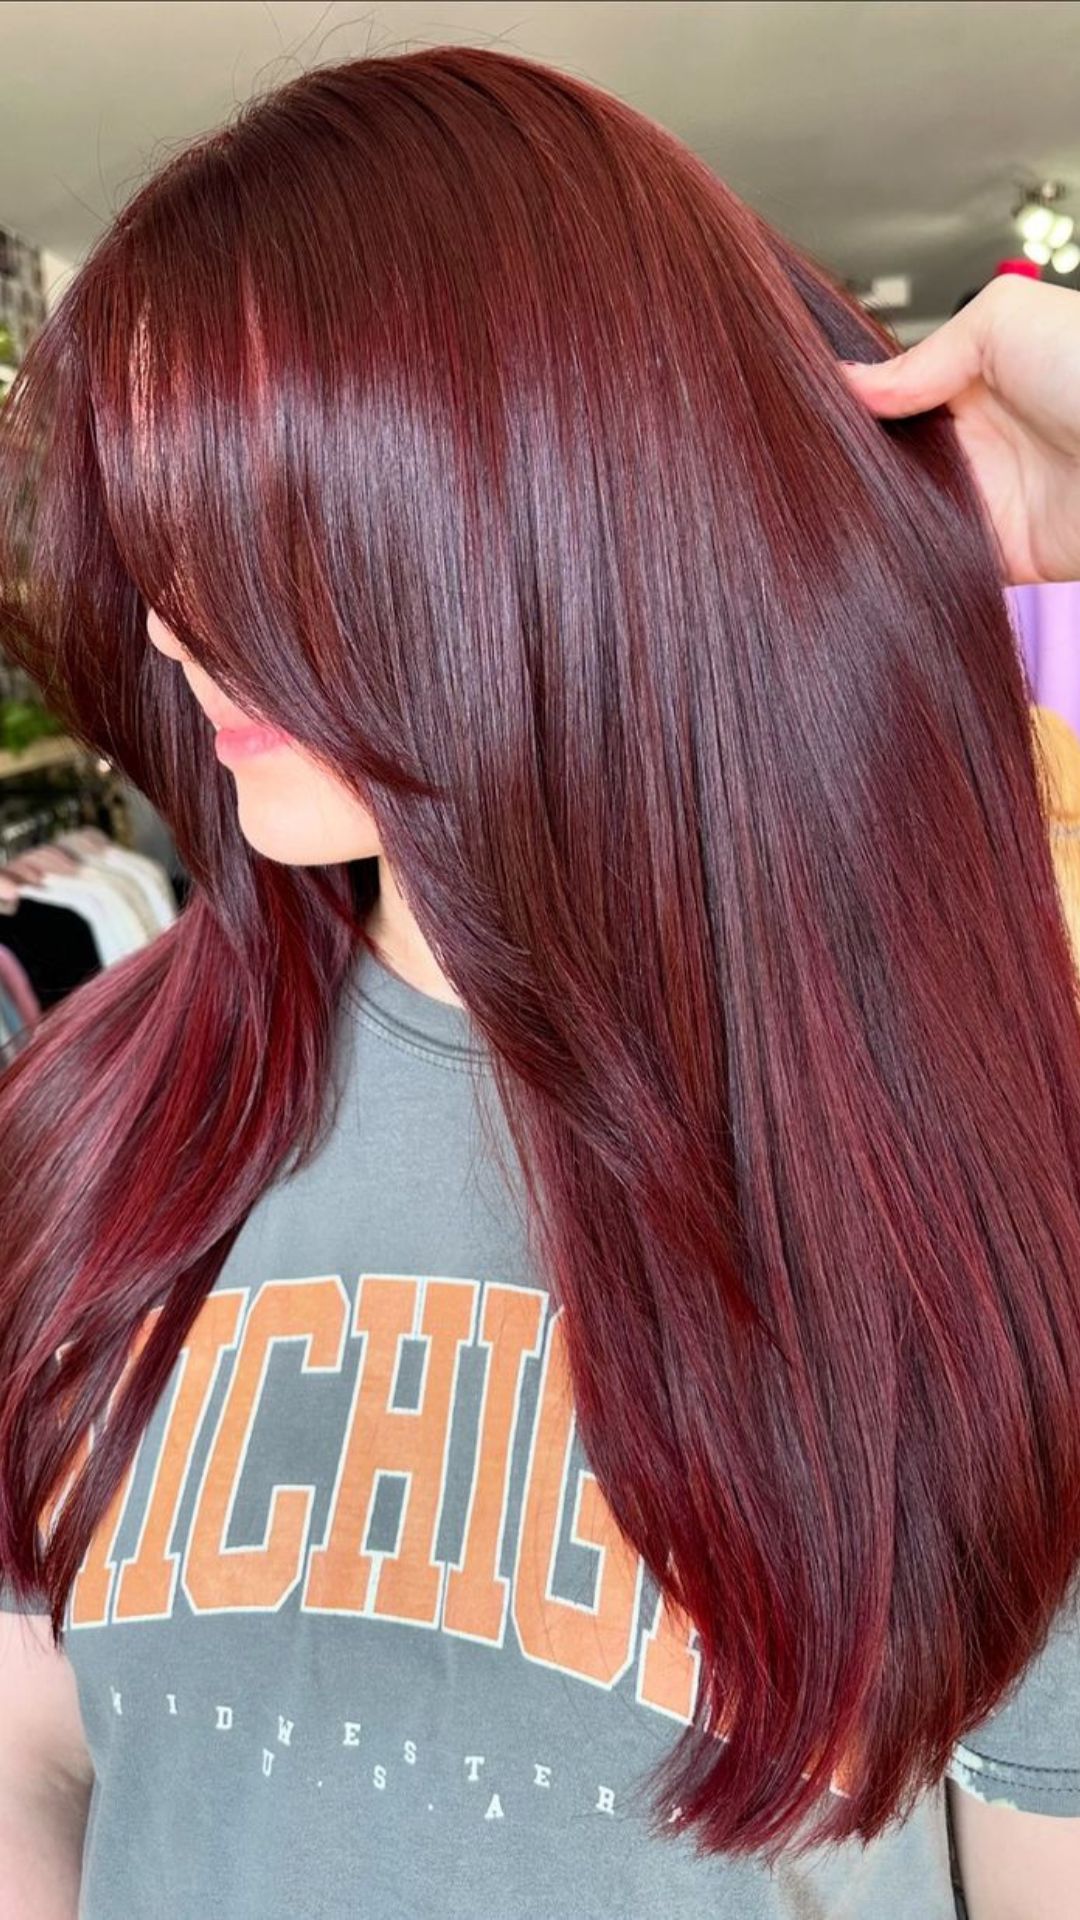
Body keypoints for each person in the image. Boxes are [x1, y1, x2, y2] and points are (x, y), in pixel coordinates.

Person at [1, 45, 1080, 1920]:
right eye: (156, 516)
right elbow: (38, 1735)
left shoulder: (974, 1186)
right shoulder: (96, 1115)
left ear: (564, 505)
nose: (176, 612)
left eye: (276, 518)